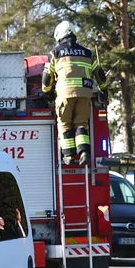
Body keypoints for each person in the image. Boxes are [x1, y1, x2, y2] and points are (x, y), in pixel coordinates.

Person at [42, 21, 103, 166]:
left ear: (59, 36)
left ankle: (69, 156)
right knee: (81, 124)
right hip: (85, 94)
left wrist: (47, 91)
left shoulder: (55, 53)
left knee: (65, 124)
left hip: (65, 94)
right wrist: (104, 89)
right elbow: (100, 73)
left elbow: (46, 77)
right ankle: (84, 153)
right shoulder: (87, 53)